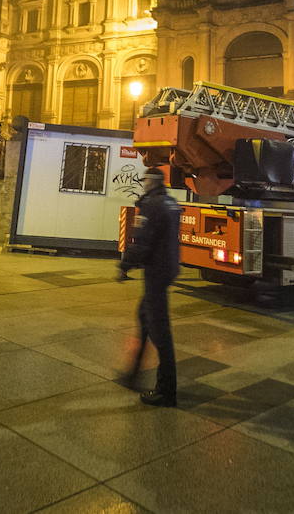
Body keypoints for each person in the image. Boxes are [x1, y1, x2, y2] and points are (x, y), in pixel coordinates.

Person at [119, 166, 181, 407]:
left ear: (151, 181)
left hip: (156, 272)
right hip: (167, 269)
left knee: (160, 332)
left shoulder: (153, 206)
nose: (142, 182)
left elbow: (143, 242)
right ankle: (133, 374)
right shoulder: (171, 203)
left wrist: (125, 265)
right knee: (145, 317)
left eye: (144, 179)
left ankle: (167, 391)